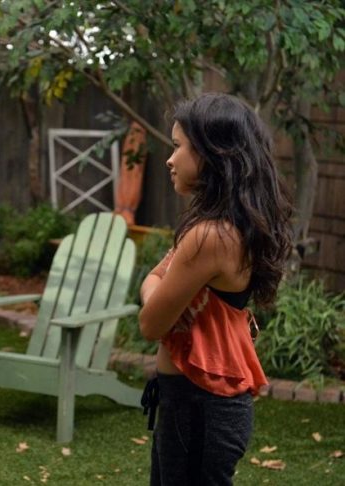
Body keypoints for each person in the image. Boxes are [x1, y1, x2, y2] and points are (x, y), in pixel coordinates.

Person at [138, 93, 293, 485]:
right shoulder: (226, 226)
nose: (170, 159)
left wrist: (156, 293)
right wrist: (157, 289)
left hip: (199, 408)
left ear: (213, 155)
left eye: (178, 147)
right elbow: (155, 282)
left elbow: (151, 324)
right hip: (194, 404)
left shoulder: (209, 237)